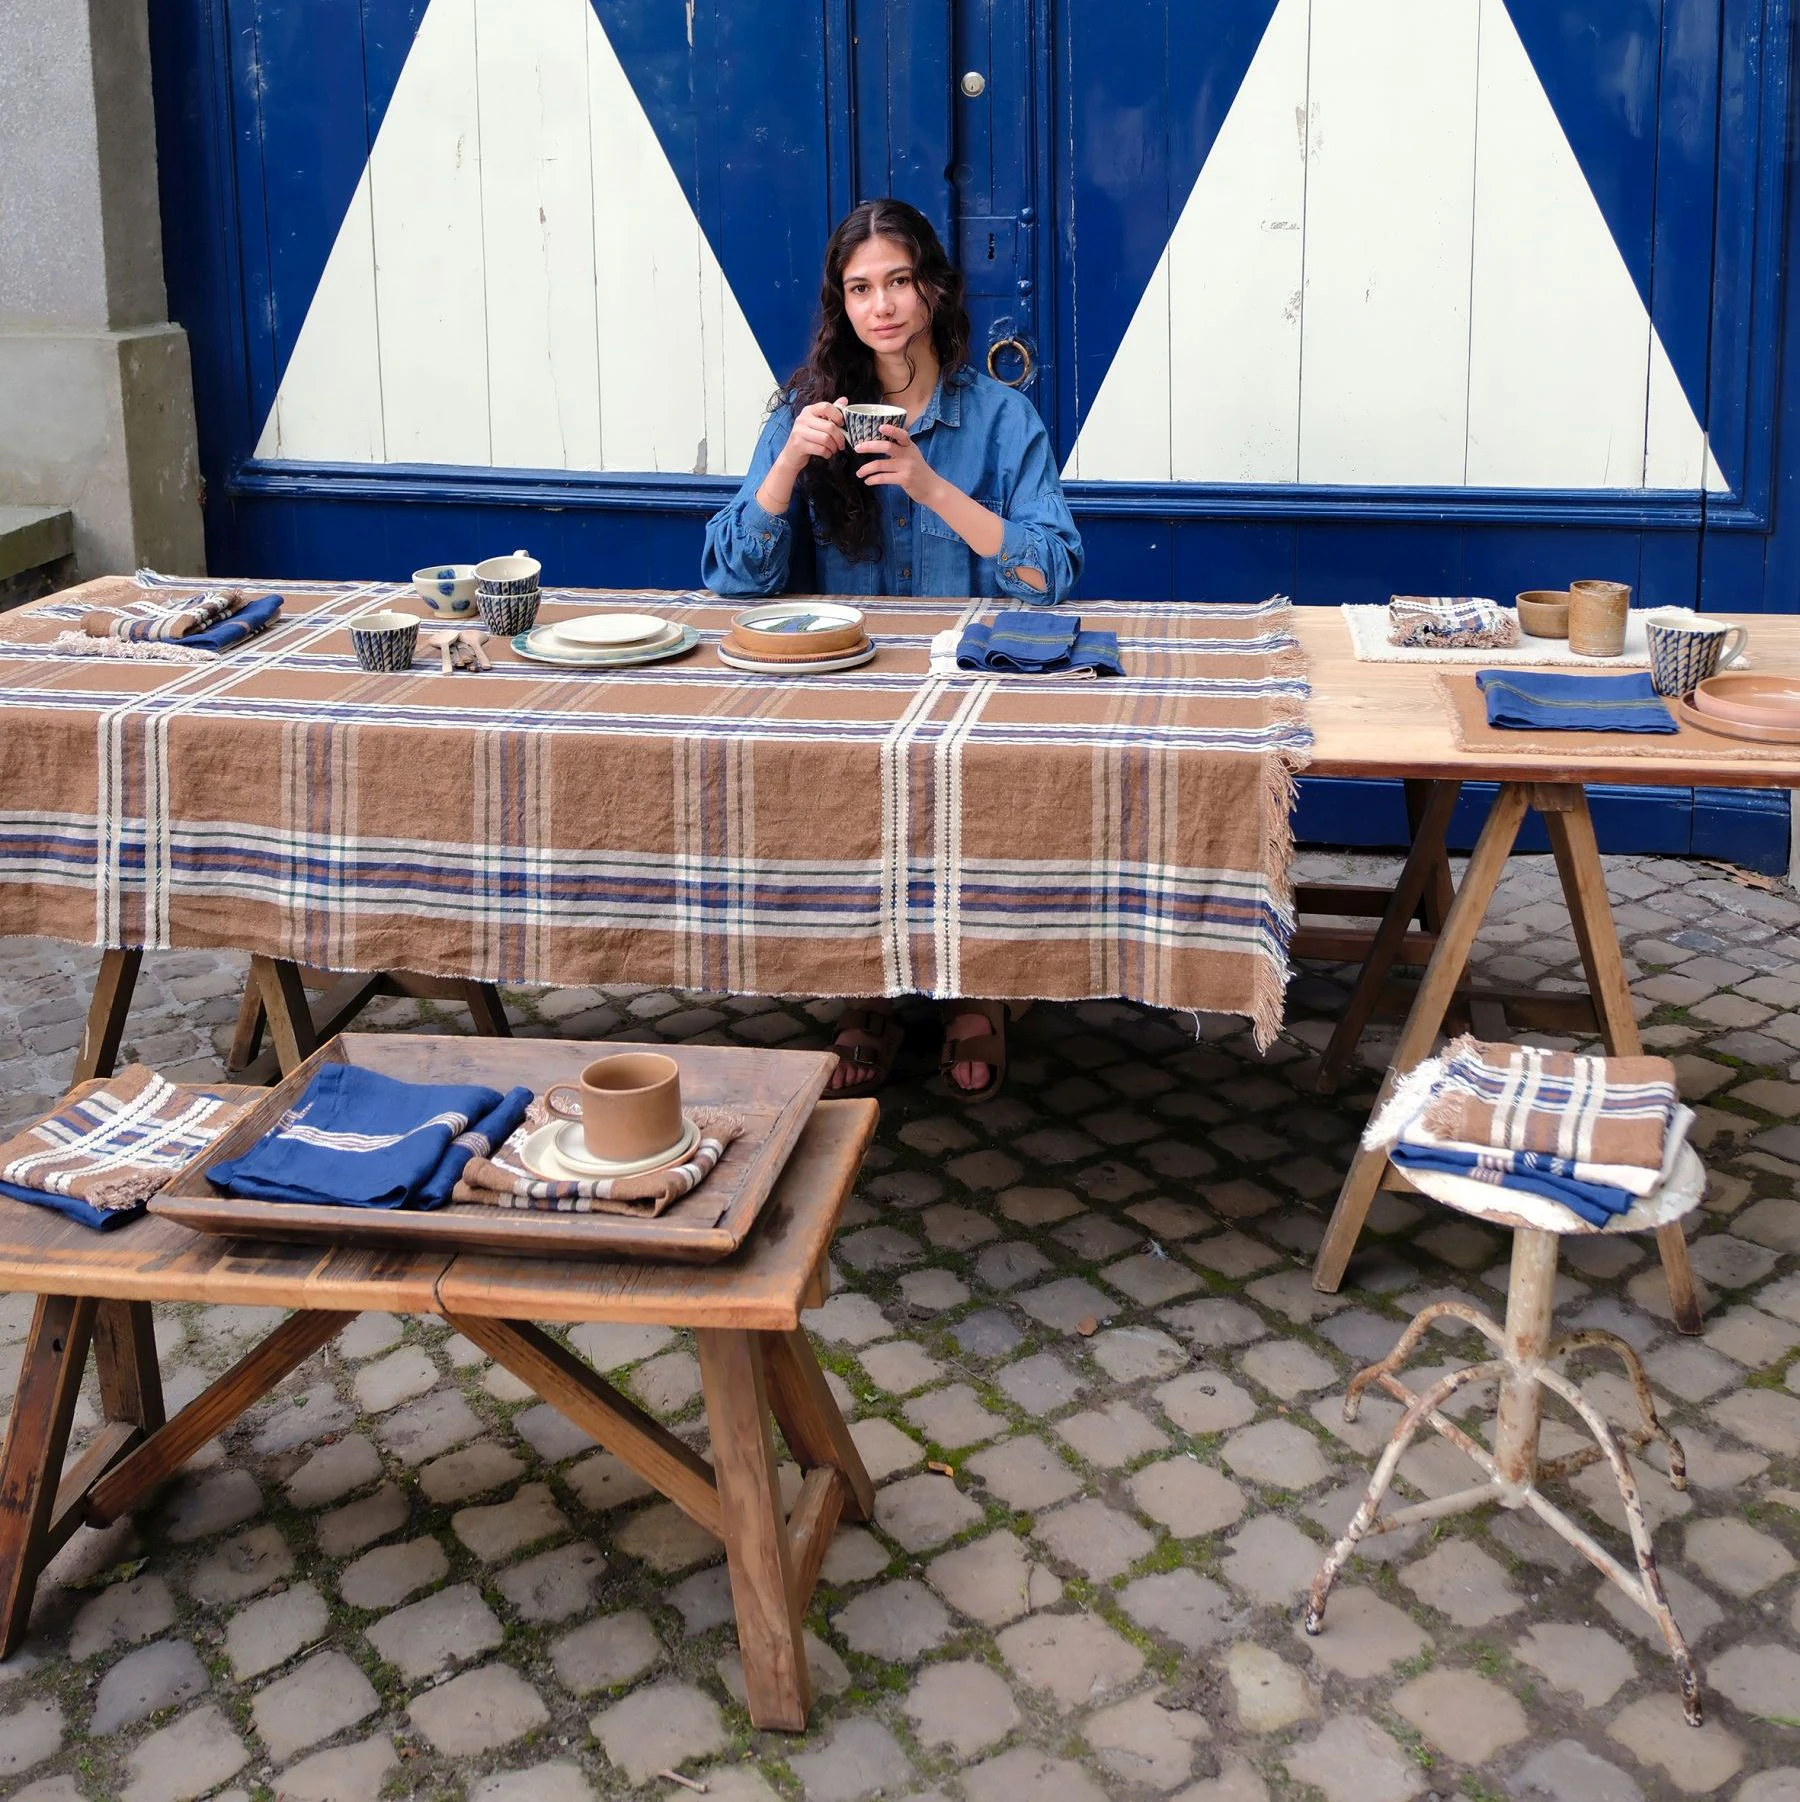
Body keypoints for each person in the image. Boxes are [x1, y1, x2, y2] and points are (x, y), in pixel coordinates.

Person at [703, 197, 1083, 1100]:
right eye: (861, 287)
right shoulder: (805, 414)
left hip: (973, 685)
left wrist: (929, 483)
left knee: (980, 799)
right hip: (848, 681)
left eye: (900, 281)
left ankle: (974, 990)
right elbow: (732, 578)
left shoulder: (1001, 419)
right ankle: (864, 989)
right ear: (841, 302)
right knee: (838, 795)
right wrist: (789, 464)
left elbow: (1052, 573)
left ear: (933, 290)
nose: (882, 305)